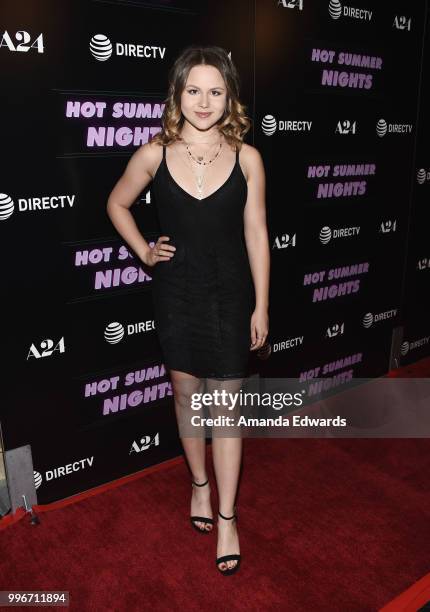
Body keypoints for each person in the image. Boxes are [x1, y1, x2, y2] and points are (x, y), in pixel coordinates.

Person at [107, 45, 270, 575]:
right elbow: (116, 202)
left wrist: (262, 304)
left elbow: (256, 234)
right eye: (193, 90)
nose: (204, 101)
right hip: (176, 292)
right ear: (178, 94)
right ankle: (198, 485)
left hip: (230, 296)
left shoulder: (247, 157)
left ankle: (227, 516)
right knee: (185, 395)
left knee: (226, 409)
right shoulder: (155, 152)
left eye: (215, 91)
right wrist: (144, 252)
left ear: (230, 97)